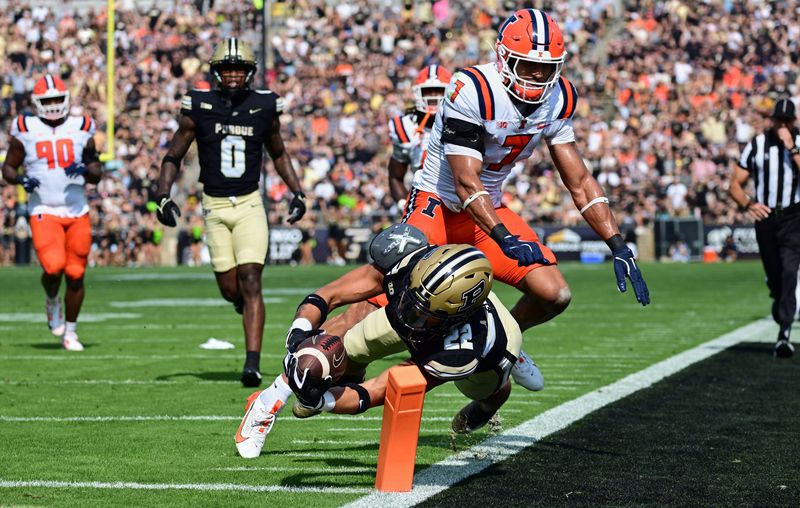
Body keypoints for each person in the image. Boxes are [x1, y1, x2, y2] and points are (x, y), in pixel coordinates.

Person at [403, 9, 649, 380]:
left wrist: (617, 243)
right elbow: (466, 182)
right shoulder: (474, 89)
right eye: (527, 65)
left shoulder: (559, 99)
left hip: (488, 210)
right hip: (439, 203)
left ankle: (498, 342)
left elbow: (580, 181)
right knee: (390, 298)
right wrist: (504, 238)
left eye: (546, 68)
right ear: (503, 57)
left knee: (554, 294)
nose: (537, 75)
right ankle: (313, 359)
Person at [234, 224, 531, 458]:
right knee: (344, 347)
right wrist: (298, 336)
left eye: (421, 312)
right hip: (442, 319)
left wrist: (322, 401)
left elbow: (378, 390)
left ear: (453, 317)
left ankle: (500, 388)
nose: (407, 313)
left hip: (489, 351)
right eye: (410, 299)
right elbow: (328, 295)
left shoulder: (463, 351)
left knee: (492, 390)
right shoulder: (408, 262)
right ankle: (271, 397)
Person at [155, 38, 307, 386]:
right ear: (216, 72)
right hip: (214, 205)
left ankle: (251, 363)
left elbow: (279, 153)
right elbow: (174, 154)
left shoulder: (265, 106)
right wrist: (162, 194)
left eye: (239, 68)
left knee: (252, 281)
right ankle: (242, 305)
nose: (233, 74)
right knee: (230, 289)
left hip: (251, 203)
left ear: (250, 72)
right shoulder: (199, 105)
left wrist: (297, 191)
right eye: (227, 68)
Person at [1, 74, 103, 351]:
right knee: (53, 266)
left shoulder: (82, 126)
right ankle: (51, 299)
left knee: (76, 273)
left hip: (77, 208)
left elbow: (97, 171)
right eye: (48, 100)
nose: (54, 104)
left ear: (67, 99)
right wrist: (22, 180)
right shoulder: (26, 127)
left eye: (58, 99)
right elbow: (8, 168)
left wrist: (85, 169)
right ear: (36, 103)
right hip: (44, 208)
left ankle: (70, 331)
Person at [730, 98, 800, 359]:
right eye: (777, 120)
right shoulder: (757, 145)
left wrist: (792, 147)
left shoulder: (799, 142)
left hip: (794, 216)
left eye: (786, 120)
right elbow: (734, 183)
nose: (781, 124)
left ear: (793, 122)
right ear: (771, 120)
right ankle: (776, 290)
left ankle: (784, 334)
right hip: (767, 217)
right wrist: (748, 203)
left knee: (790, 271)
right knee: (775, 272)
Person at [388, 65, 452, 210]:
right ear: (418, 93)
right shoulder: (406, 128)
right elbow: (395, 176)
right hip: (424, 204)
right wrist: (404, 205)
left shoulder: (463, 122)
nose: (433, 97)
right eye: (428, 91)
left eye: (438, 91)